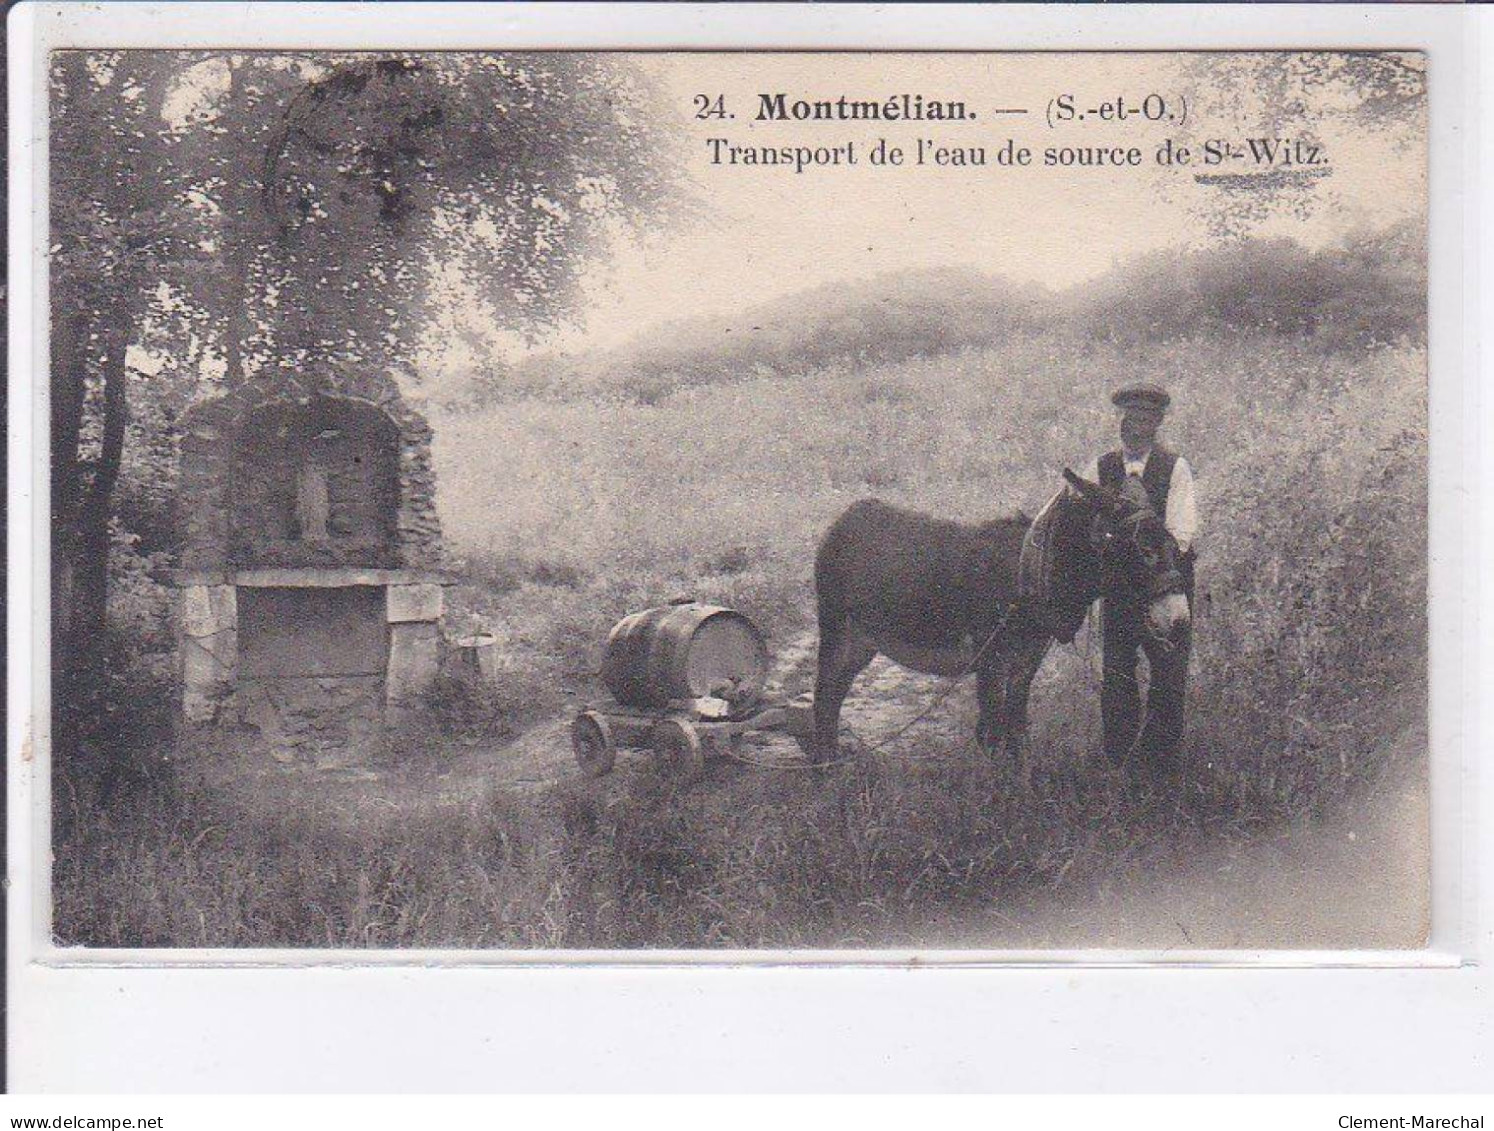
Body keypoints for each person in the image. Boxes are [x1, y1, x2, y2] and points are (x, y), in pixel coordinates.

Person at [1081, 383, 1198, 774]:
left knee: (1167, 678)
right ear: (1120, 422)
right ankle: (1120, 765)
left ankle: (1161, 770)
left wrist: (1145, 551)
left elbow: (1180, 536)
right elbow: (1078, 519)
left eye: (1145, 421)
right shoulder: (1101, 469)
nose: (1135, 429)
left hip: (1166, 587)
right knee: (1117, 676)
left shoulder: (1174, 468)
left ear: (1158, 424)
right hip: (1121, 591)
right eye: (1129, 420)